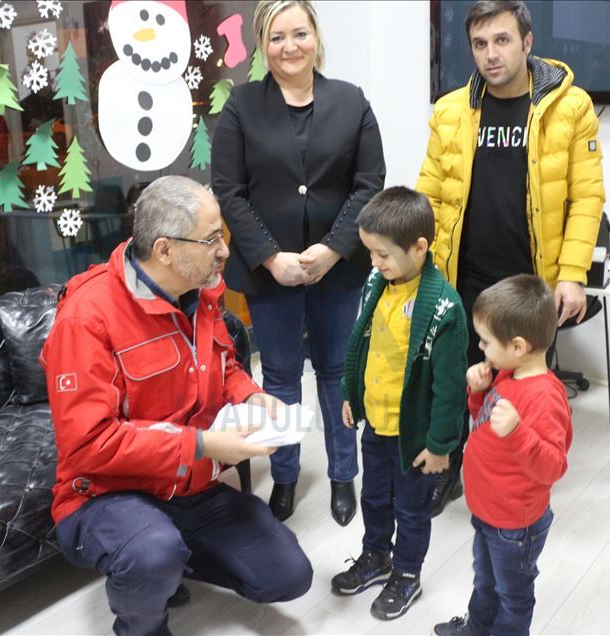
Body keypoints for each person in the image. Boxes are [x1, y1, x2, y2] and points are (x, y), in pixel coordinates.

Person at [41, 176, 313, 636]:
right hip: (106, 495)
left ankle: (169, 560)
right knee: (153, 553)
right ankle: (144, 616)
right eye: (211, 240)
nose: (224, 250)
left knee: (289, 575)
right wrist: (203, 445)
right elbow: (88, 444)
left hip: (188, 486)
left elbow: (224, 365)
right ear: (164, 249)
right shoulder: (88, 315)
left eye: (222, 235)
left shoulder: (201, 291)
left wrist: (250, 395)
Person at [416, 0, 604, 515]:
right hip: (464, 277)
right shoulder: (450, 110)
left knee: (525, 390)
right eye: (480, 44)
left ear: (527, 41)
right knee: (456, 381)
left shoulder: (570, 106)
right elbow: (430, 194)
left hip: (529, 286)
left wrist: (572, 275)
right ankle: (452, 466)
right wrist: (421, 267)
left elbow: (586, 198)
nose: (491, 54)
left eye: (502, 40)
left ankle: (517, 483)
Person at [212, 0, 385, 525]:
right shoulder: (242, 105)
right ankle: (284, 478)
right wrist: (270, 258)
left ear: (316, 37)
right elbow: (229, 191)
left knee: (337, 373)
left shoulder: (351, 102)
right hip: (271, 273)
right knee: (280, 377)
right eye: (277, 37)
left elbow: (369, 183)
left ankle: (342, 476)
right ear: (263, 45)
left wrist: (333, 249)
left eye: (300, 34)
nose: (290, 47)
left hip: (339, 269)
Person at [333, 187, 467, 621]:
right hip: (377, 424)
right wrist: (351, 394)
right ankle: (376, 555)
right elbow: (360, 345)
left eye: (383, 255)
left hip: (415, 437)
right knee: (374, 497)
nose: (375, 263)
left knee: (411, 510)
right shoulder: (377, 284)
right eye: (370, 253)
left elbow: (450, 389)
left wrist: (441, 445)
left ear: (419, 248)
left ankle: (408, 573)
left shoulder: (444, 307)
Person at [433, 274, 572, 636]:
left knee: (513, 596)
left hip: (516, 526)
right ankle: (478, 628)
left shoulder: (544, 397)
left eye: (486, 341)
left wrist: (518, 432)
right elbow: (485, 422)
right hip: (488, 512)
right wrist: (479, 392)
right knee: (485, 581)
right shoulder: (507, 374)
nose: (480, 347)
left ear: (518, 346)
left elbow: (553, 466)